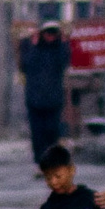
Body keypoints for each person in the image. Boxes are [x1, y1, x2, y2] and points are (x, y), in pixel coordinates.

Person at [19, 22, 71, 165]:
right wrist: (34, 45)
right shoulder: (31, 47)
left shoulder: (59, 49)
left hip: (54, 99)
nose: (50, 37)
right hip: (34, 99)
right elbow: (25, 65)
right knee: (37, 133)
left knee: (52, 131)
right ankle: (40, 160)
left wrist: (64, 43)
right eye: (47, 33)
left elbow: (64, 61)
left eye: (53, 33)